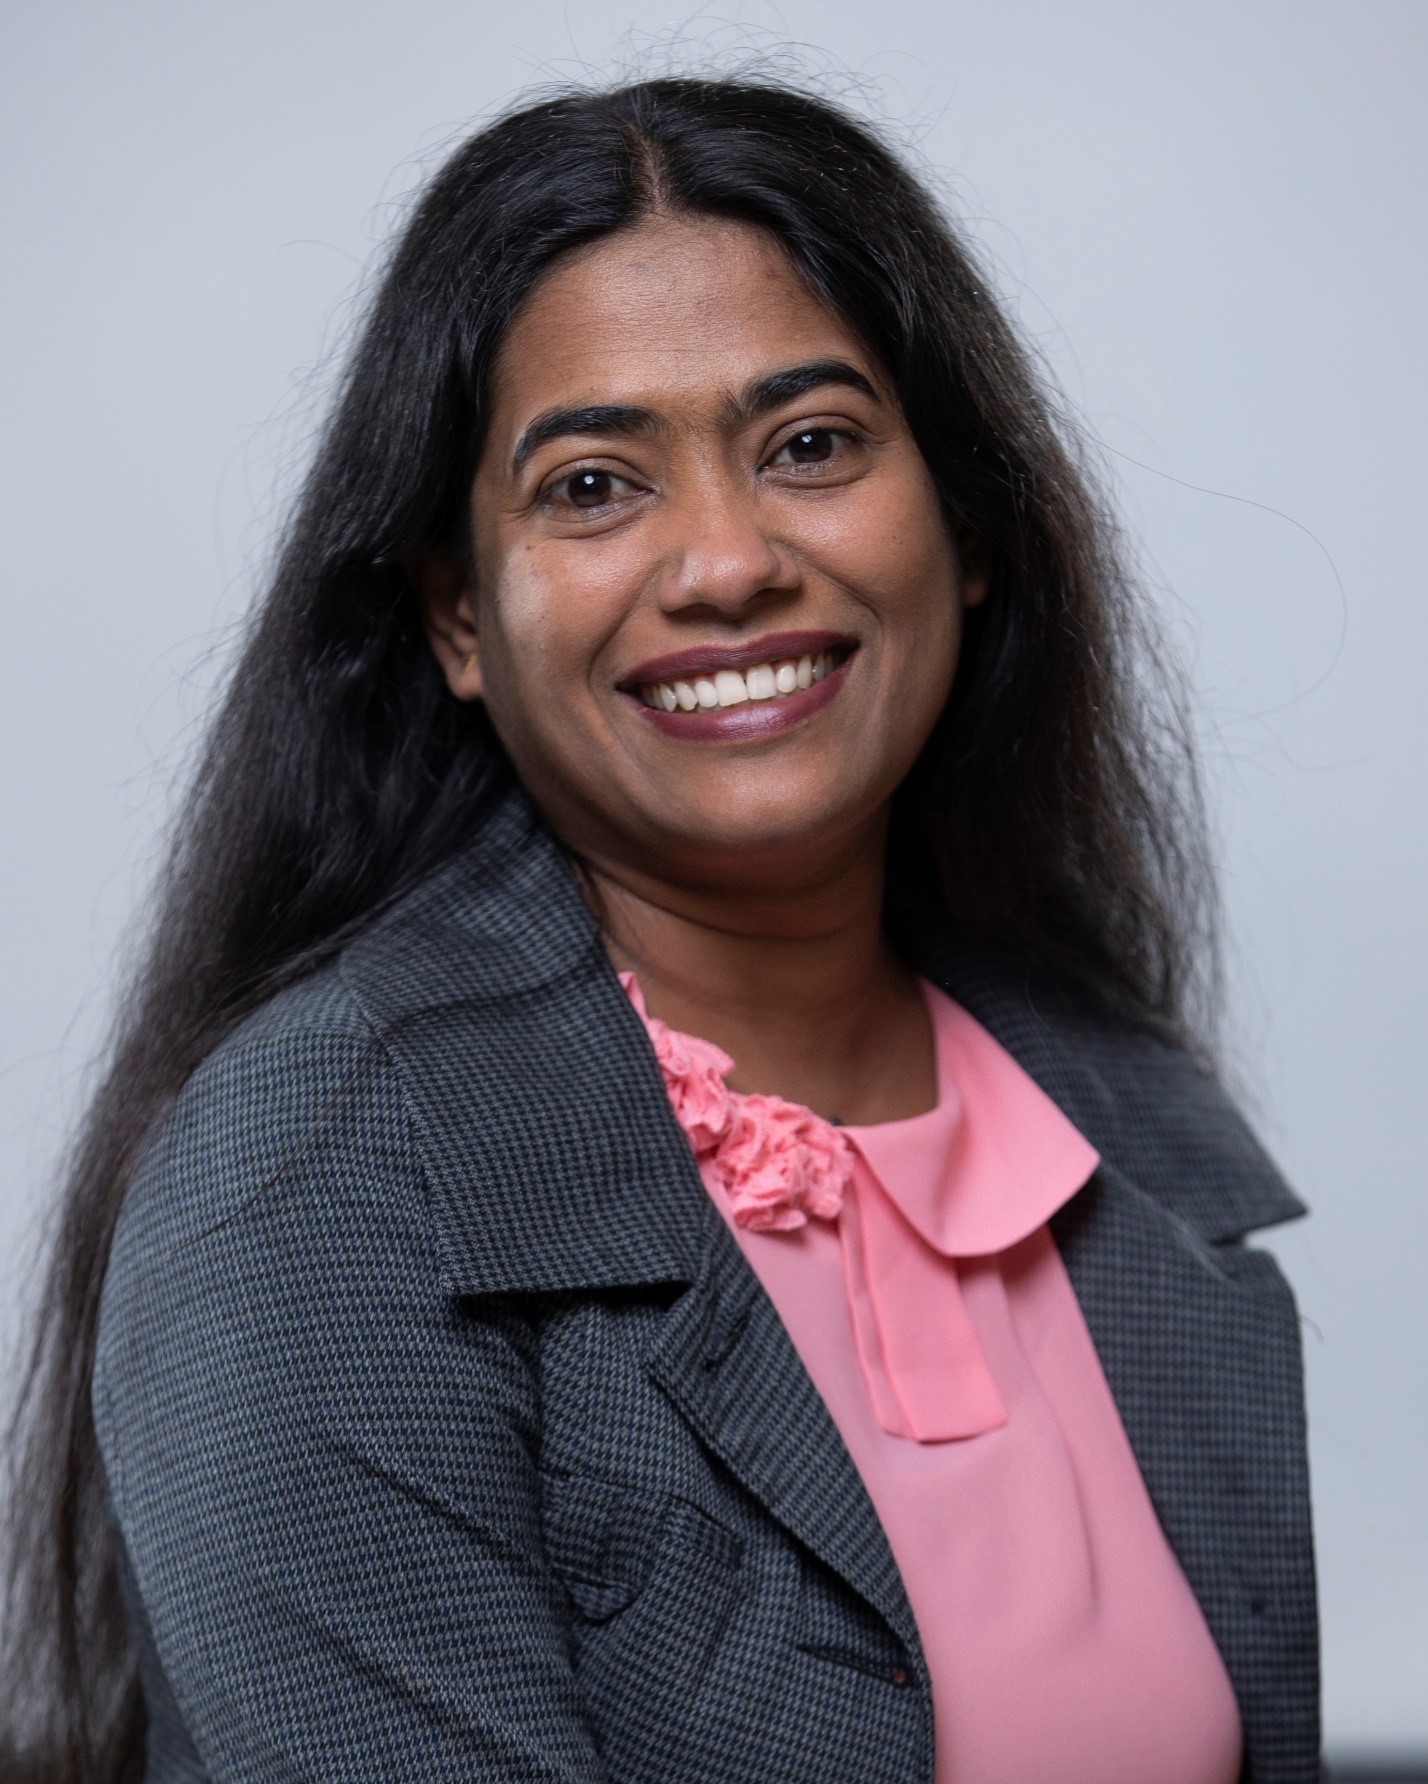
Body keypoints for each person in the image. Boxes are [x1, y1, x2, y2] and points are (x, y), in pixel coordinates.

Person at [0, 76, 1318, 1783]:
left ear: (971, 531)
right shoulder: (321, 1174)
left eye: (813, 447)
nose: (723, 563)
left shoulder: (1117, 1123)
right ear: (460, 616)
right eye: (597, 486)